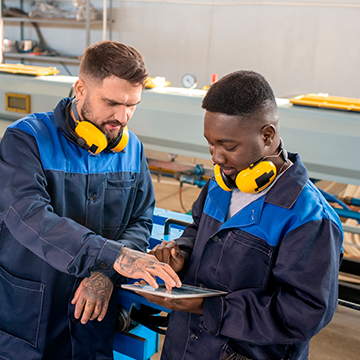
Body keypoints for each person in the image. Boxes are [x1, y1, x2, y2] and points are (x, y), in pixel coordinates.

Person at [143, 70, 343, 360]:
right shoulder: (220, 186)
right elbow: (197, 229)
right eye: (211, 143)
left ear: (267, 135)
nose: (216, 157)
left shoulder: (308, 218)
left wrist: (207, 307)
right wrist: (181, 254)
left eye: (228, 146)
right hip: (183, 347)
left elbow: (304, 312)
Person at [0, 40, 181, 360]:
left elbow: (140, 219)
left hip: (93, 320)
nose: (122, 116)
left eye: (132, 105)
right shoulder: (25, 140)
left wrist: (105, 274)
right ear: (80, 88)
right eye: (111, 102)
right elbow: (30, 217)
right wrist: (116, 257)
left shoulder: (132, 149)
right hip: (28, 315)